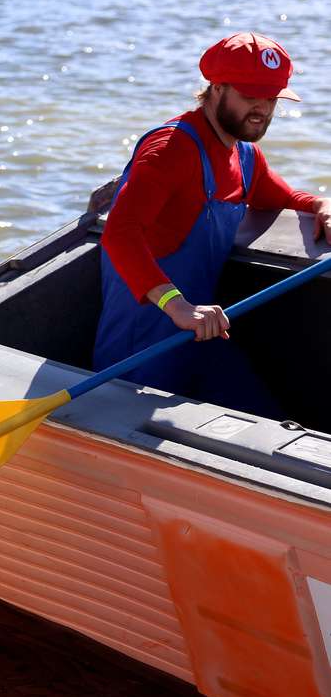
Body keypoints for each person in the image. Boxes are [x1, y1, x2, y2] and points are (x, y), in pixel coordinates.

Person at [94, 32, 331, 416]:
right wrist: (177, 305)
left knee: (268, 418)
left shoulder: (246, 156)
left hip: (200, 335)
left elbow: (285, 198)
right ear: (216, 88)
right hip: (142, 349)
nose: (263, 109)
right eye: (251, 95)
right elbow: (119, 234)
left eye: (271, 98)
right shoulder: (169, 149)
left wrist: (322, 203)